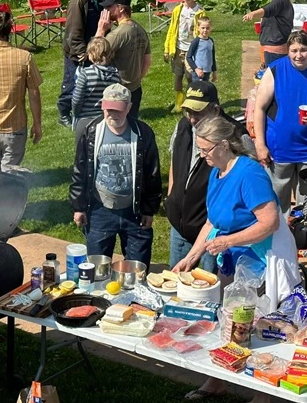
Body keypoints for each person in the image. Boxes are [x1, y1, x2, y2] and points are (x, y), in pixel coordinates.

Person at [174, 116, 301, 403]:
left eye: (205, 150)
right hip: (235, 259)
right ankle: (219, 380)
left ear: (222, 145)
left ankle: (261, 401)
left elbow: (269, 222)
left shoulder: (249, 174)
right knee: (228, 325)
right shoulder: (217, 172)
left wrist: (229, 242)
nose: (201, 156)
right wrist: (192, 256)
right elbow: (212, 221)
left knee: (255, 327)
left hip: (262, 259)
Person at [70, 84, 161, 266]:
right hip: (100, 211)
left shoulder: (142, 133)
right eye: (108, 109)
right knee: (96, 270)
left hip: (134, 212)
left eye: (118, 110)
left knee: (137, 270)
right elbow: (80, 170)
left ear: (128, 107)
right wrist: (79, 207)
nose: (113, 114)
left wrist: (148, 209)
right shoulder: (91, 131)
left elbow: (152, 173)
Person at [166, 81, 249, 272]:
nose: (192, 119)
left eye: (198, 112)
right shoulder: (183, 127)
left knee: (209, 285)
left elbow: (244, 184)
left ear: (216, 109)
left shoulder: (237, 136)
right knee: (176, 281)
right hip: (179, 224)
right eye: (189, 112)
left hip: (213, 230)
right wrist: (172, 196)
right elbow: (174, 161)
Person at [252, 30, 307, 213]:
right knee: (275, 206)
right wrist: (260, 145)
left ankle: (304, 239)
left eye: (304, 50)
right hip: (279, 150)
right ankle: (278, 240)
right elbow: (259, 108)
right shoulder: (275, 70)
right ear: (288, 51)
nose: (299, 55)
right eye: (294, 50)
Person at [0, 11, 43, 172]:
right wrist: (37, 123)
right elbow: (34, 93)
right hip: (15, 126)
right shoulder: (24, 57)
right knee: (10, 174)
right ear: (10, 31)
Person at [59, 0, 106, 127]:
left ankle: (88, 110)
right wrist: (81, 52)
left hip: (94, 48)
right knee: (71, 83)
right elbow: (73, 30)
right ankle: (64, 113)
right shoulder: (79, 0)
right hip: (77, 51)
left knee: (91, 82)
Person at [95, 0, 151, 119]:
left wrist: (101, 29)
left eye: (109, 7)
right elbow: (147, 61)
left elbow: (95, 56)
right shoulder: (140, 29)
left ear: (120, 8)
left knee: (115, 129)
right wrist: (135, 81)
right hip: (135, 90)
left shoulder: (118, 34)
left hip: (117, 93)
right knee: (131, 127)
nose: (106, 10)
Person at [164, 0, 203, 112]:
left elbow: (204, 30)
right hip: (178, 48)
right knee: (177, 75)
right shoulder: (177, 9)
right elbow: (172, 29)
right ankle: (178, 103)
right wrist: (167, 48)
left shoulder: (199, 11)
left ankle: (192, 100)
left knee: (190, 76)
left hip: (191, 50)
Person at [242, 0, 294, 66]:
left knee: (274, 78)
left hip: (275, 49)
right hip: (274, 48)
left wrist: (252, 14)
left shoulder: (281, 0)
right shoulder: (282, 0)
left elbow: (268, 10)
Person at [71, 36, 120, 136]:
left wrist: (75, 114)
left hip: (86, 119)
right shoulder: (116, 75)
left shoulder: (85, 73)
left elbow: (77, 99)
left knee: (82, 150)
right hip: (106, 119)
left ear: (91, 55)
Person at [185, 16, 217, 83]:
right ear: (198, 28)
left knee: (206, 91)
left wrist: (214, 72)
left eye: (207, 28)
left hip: (207, 71)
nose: (205, 30)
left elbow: (212, 57)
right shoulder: (196, 41)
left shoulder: (211, 41)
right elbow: (188, 57)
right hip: (198, 73)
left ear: (210, 28)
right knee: (198, 92)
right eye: (203, 28)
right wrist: (196, 69)